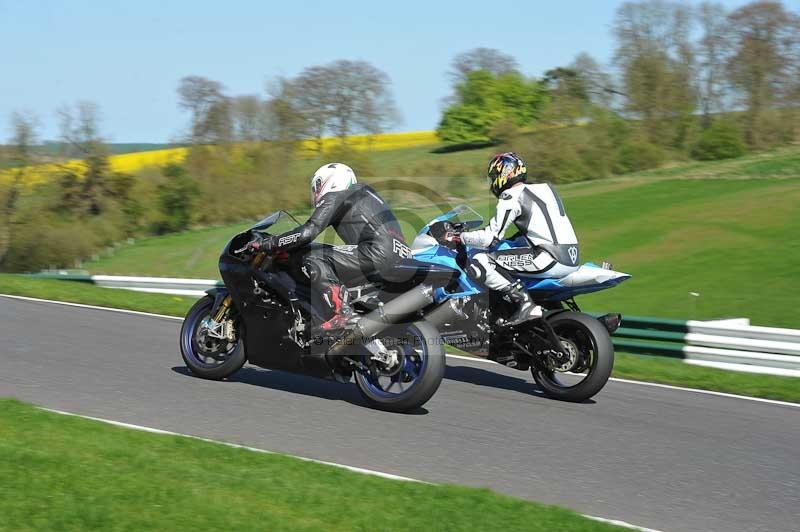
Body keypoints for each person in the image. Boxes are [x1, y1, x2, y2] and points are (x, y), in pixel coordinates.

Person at [248, 163, 410, 330]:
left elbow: (307, 232)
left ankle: (342, 313)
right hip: (401, 255)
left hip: (377, 252)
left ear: (328, 181)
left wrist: (269, 244)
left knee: (312, 255)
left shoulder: (337, 195)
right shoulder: (367, 193)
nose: (316, 192)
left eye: (317, 186)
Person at [444, 152, 580, 327]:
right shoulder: (546, 189)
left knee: (479, 261)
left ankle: (524, 304)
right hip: (572, 257)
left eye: (494, 176)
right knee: (513, 245)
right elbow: (537, 230)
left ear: (505, 173)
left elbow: (489, 238)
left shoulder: (510, 196)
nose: (492, 181)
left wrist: (458, 237)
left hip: (549, 258)